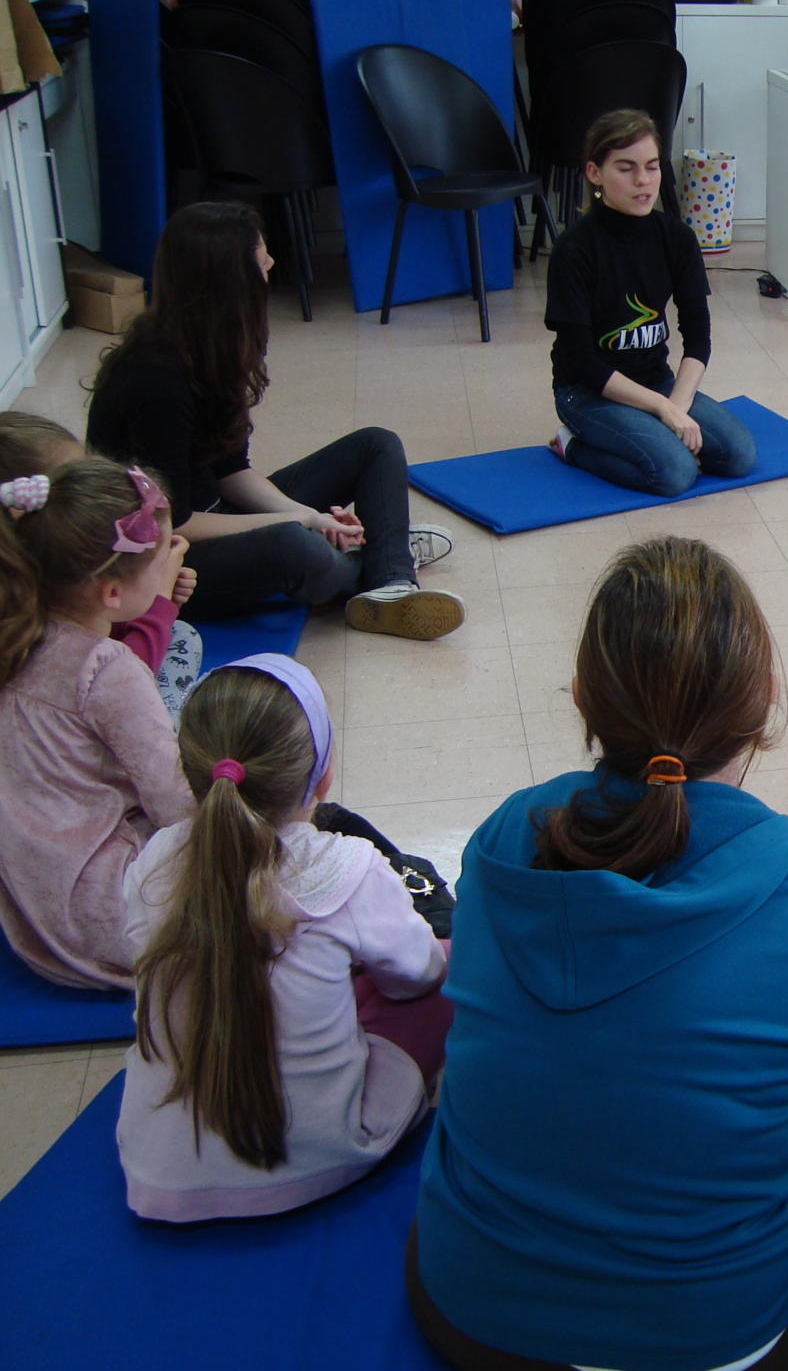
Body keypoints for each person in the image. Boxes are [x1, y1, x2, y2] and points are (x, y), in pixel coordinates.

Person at [409, 537, 788, 1371]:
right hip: (731, 1342)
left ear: (583, 697)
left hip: (471, 1316)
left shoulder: (503, 838)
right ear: (764, 703)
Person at [119, 654, 453, 1221]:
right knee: (452, 962)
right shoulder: (349, 868)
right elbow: (416, 977)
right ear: (322, 777)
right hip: (319, 1160)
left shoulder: (152, 863)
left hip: (156, 1169)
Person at [86, 201, 463, 640]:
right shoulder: (155, 382)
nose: (271, 266)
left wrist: (308, 515)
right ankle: (384, 554)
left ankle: (390, 575)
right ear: (229, 282)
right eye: (261, 262)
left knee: (376, 444)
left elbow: (232, 471)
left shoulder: (211, 345)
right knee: (293, 546)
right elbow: (176, 523)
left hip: (217, 514)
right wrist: (303, 524)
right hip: (171, 559)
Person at [0, 458, 193, 989]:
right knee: (285, 826)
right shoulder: (106, 668)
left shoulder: (15, 633)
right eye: (159, 561)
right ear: (111, 593)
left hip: (34, 925)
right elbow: (177, 806)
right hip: (114, 923)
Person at [545, 109, 758, 497]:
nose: (643, 181)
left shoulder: (677, 238)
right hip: (586, 392)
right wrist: (663, 411)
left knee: (739, 455)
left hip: (656, 381)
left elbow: (698, 338)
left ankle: (649, 431)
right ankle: (571, 445)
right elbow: (582, 362)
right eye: (626, 168)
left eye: (652, 166)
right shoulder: (574, 250)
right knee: (675, 473)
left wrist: (676, 404)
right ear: (595, 173)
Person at [0, 411, 202, 715]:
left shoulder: (48, 564)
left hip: (107, 669)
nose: (92, 484)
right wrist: (158, 597)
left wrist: (151, 585)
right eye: (74, 478)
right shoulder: (27, 607)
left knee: (183, 634)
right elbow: (118, 685)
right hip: (106, 703)